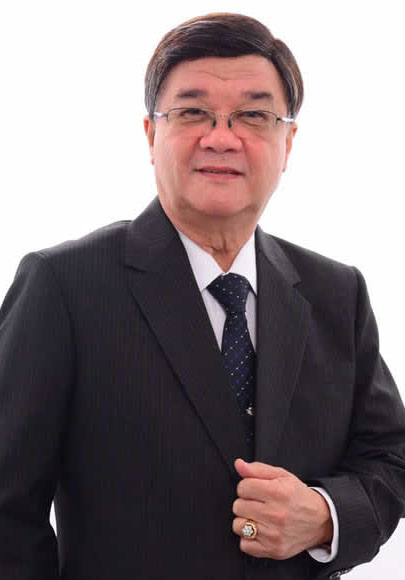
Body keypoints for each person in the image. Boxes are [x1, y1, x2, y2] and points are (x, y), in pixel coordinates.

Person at [0, 12, 404, 580]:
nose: (221, 137)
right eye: (192, 112)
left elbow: (390, 459)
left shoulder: (338, 294)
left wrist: (324, 516)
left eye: (254, 115)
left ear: (287, 142)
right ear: (151, 134)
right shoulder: (63, 285)